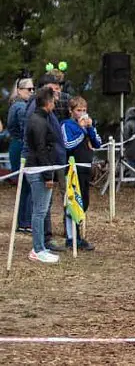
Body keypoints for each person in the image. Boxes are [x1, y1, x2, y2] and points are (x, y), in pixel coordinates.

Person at [24, 87, 62, 264]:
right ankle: (37, 249)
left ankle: (40, 246)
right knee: (39, 211)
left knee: (42, 209)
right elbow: (41, 149)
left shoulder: (40, 119)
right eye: (53, 101)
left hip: (40, 168)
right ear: (47, 102)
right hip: (38, 170)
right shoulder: (38, 121)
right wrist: (48, 175)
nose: (55, 104)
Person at [61, 96, 103, 251]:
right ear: (71, 111)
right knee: (74, 202)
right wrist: (80, 129)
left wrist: (90, 128)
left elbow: (98, 143)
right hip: (73, 167)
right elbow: (68, 144)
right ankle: (72, 237)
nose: (82, 113)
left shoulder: (87, 126)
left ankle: (78, 233)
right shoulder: (67, 125)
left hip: (86, 168)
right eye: (79, 110)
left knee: (84, 202)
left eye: (84, 110)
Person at [6, 77, 34, 232]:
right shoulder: (21, 107)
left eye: (33, 89)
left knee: (24, 185)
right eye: (28, 89)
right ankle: (24, 222)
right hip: (21, 145)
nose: (32, 92)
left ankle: (23, 221)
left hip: (16, 145)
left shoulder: (17, 105)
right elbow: (25, 130)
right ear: (19, 90)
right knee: (25, 185)